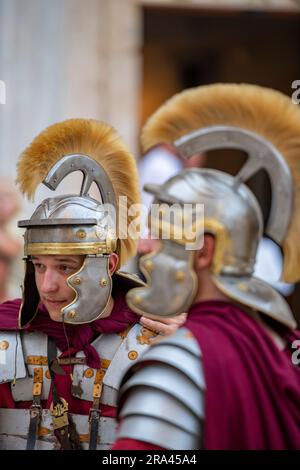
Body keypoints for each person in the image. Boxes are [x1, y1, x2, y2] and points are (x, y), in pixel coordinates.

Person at [112, 83, 300, 450]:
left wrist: (188, 343)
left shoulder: (178, 361)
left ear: (203, 252)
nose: (148, 250)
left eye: (165, 238)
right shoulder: (281, 339)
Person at [0, 118, 186, 450]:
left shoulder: (153, 342)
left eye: (65, 266)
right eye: (39, 267)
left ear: (109, 265)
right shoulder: (7, 336)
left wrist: (193, 359)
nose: (48, 285)